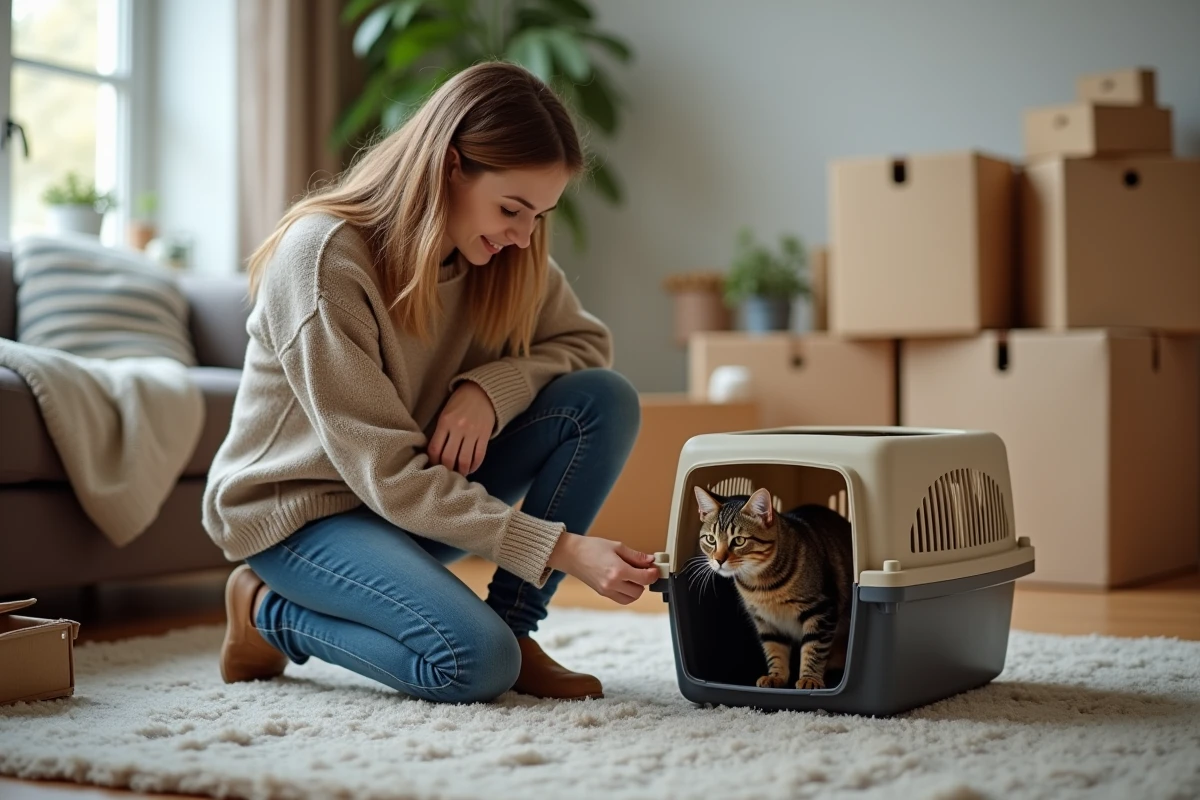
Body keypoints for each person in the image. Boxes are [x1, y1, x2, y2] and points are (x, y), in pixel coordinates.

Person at [204, 61, 660, 704]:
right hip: (302, 518)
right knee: (472, 666)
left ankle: (512, 628)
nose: (525, 235)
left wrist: (490, 390)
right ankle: (265, 613)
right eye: (512, 208)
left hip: (403, 503)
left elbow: (586, 346)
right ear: (451, 166)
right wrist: (565, 550)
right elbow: (387, 471)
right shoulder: (323, 259)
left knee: (602, 399)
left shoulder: (505, 253)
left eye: (540, 215)